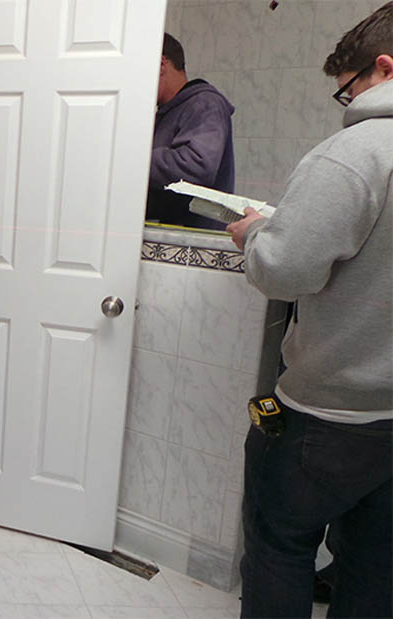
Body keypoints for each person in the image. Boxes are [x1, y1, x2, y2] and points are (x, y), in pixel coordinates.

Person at [225, 3, 393, 617]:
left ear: (384, 68)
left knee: (280, 547)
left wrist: (254, 234)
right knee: (375, 567)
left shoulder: (355, 153)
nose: (347, 103)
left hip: (327, 417)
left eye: (347, 89)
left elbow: (285, 272)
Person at [145, 33, 236, 229]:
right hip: (171, 235)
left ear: (161, 65)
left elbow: (196, 165)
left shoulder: (205, 104)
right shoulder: (167, 112)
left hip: (192, 239)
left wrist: (132, 161)